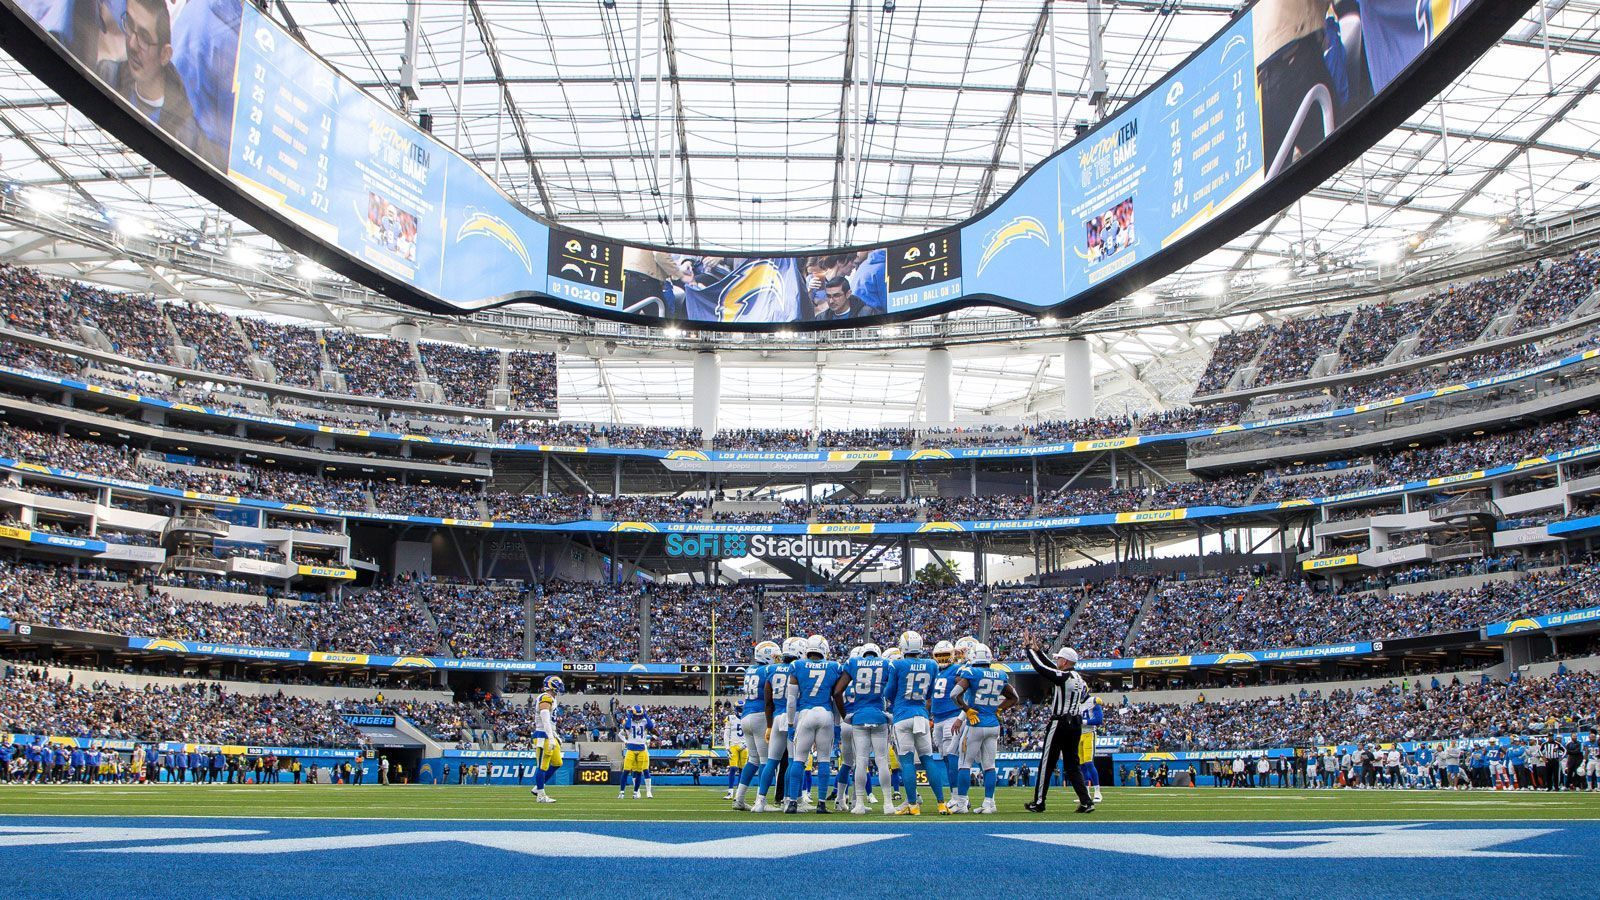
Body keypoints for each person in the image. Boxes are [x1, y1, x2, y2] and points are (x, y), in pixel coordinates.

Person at [98, 0, 204, 149]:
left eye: (145, 38)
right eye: (129, 24)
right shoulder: (106, 74)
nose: (132, 45)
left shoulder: (186, 131)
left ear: (165, 55)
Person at [1021, 633, 1096, 814]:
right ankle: (1086, 801)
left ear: (1065, 661)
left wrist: (1028, 650)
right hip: (1075, 724)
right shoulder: (1078, 678)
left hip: (1060, 723)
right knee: (1072, 764)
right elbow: (1050, 667)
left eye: (1059, 659)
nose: (1057, 662)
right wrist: (1038, 651)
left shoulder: (1064, 677)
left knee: (1047, 763)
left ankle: (1039, 802)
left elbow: (1042, 669)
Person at [883, 630, 949, 816]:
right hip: (921, 715)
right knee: (928, 759)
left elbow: (888, 693)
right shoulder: (932, 664)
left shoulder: (897, 665)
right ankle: (941, 803)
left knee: (907, 762)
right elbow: (929, 694)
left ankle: (912, 805)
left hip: (902, 716)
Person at [950, 642, 1019, 815]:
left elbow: (954, 694)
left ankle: (962, 802)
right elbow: (1014, 697)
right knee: (989, 766)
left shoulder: (972, 672)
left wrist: (966, 709)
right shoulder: (1000, 674)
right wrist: (999, 709)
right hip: (994, 724)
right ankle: (989, 803)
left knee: (965, 764)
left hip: (975, 723)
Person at [783, 635, 844, 814]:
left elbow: (792, 700)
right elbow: (836, 698)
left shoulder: (797, 666)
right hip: (825, 714)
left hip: (805, 714)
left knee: (799, 759)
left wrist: (790, 723)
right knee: (824, 759)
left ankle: (793, 802)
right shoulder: (834, 667)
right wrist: (837, 724)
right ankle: (821, 803)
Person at [835, 641, 892, 816]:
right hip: (878, 716)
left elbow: (837, 692)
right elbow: (893, 690)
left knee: (860, 761)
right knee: (882, 760)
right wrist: (890, 711)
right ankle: (888, 803)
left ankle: (858, 802)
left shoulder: (853, 663)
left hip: (858, 717)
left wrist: (844, 716)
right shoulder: (886, 664)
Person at [751, 636, 804, 813]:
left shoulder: (771, 669)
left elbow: (768, 702)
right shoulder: (800, 669)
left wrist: (768, 725)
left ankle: (760, 801)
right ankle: (789, 800)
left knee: (771, 762)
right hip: (793, 718)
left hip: (776, 717)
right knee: (791, 762)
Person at [731, 640, 778, 810]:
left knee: (753, 760)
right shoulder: (768, 669)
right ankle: (761, 800)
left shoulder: (750, 670)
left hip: (746, 716)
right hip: (760, 715)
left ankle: (739, 798)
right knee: (766, 760)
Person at [530, 675, 566, 804]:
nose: (561, 686)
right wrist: (550, 737)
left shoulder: (552, 698)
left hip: (550, 734)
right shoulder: (545, 697)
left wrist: (555, 735)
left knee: (557, 762)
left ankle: (537, 788)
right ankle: (541, 795)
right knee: (542, 766)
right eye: (558, 683)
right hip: (542, 735)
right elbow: (544, 717)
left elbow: (550, 721)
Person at [618, 705, 655, 800]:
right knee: (626, 771)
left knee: (639, 772)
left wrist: (646, 715)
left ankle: (636, 792)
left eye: (640, 715)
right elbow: (626, 727)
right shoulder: (629, 722)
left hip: (642, 749)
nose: (638, 717)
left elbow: (651, 727)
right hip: (631, 748)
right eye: (636, 715)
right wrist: (630, 716)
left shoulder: (644, 721)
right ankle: (622, 792)